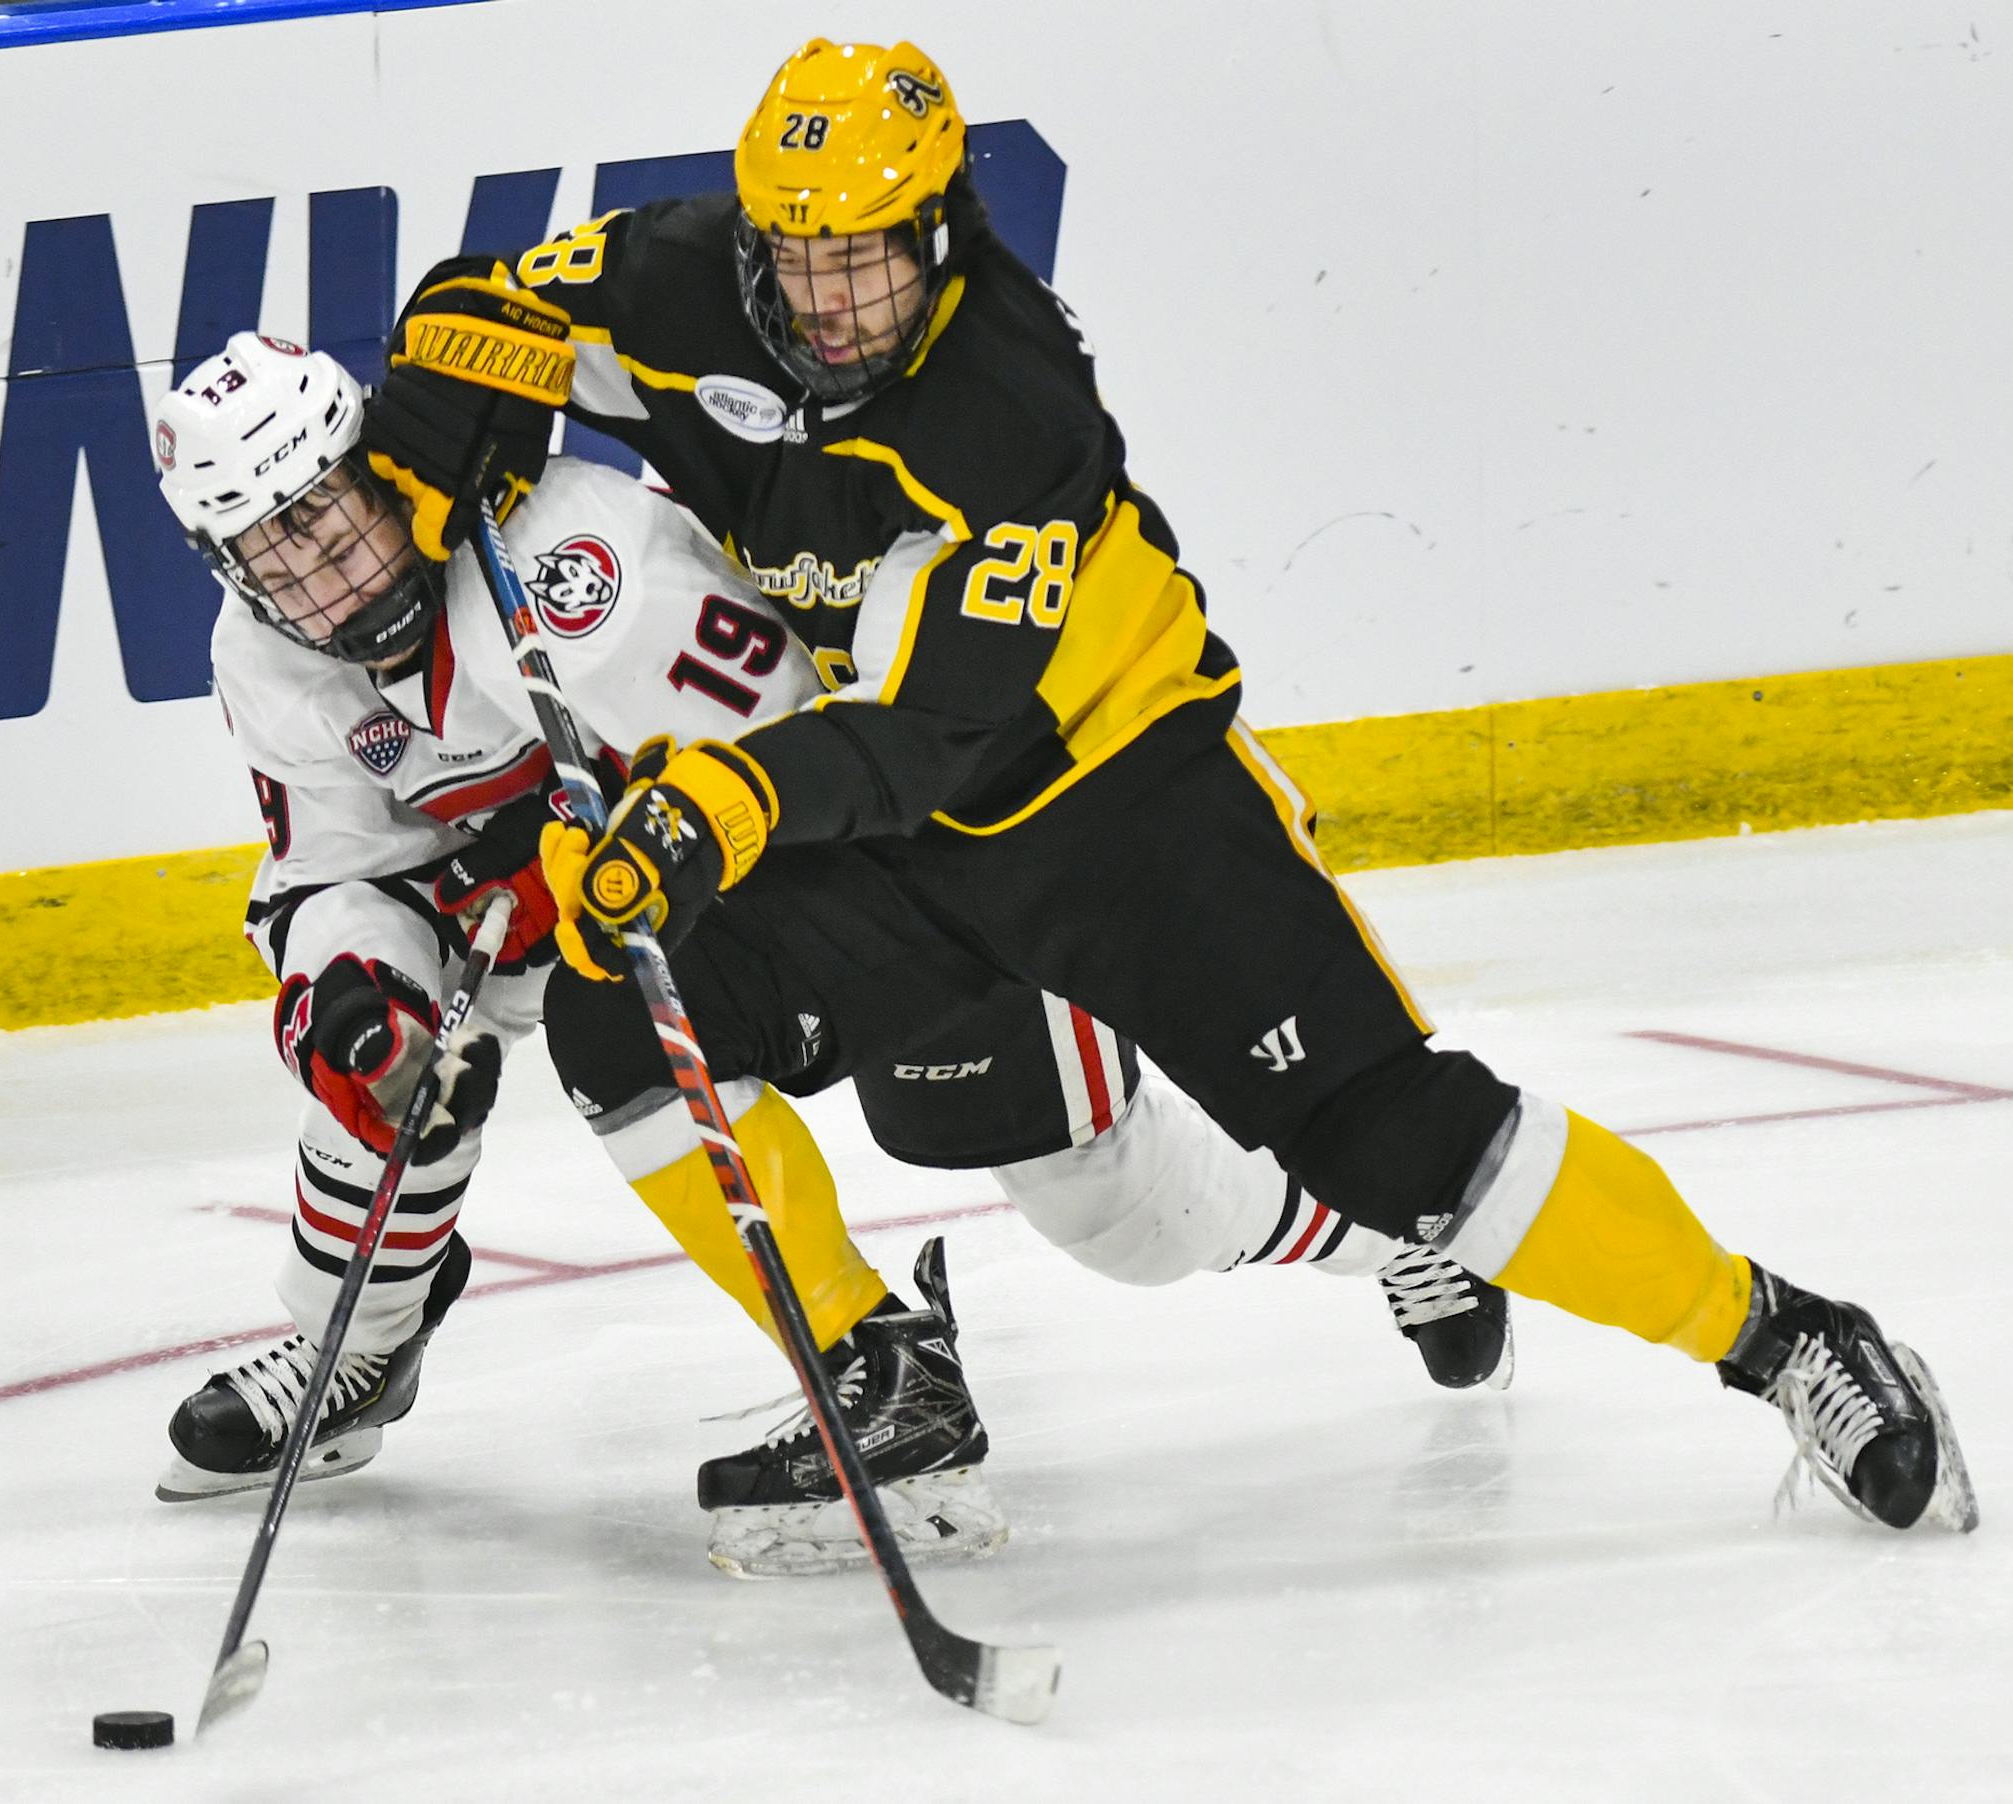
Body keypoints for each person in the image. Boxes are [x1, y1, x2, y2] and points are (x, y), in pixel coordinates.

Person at [359, 38, 1976, 1537]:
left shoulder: (1011, 407)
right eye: (798, 257)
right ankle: (877, 1364)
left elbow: (946, 730)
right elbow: (469, 306)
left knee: (1399, 1140)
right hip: (909, 839)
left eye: (865, 259)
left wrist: (721, 807)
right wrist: (441, 439)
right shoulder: (687, 274)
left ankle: (1787, 1338)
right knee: (616, 1006)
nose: (828, 299)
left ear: (942, 236)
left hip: (1118, 802)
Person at [147, 331, 1515, 1578]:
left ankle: (1387, 1222)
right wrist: (357, 985)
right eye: (274, 556)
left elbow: (808, 747)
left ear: (382, 475)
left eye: (330, 522)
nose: (323, 579)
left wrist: (617, 848)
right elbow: (335, 863)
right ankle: (360, 1353)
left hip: (866, 869)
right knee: (389, 1057)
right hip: (615, 902)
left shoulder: (573, 571)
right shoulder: (269, 661)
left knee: (1115, 1212)